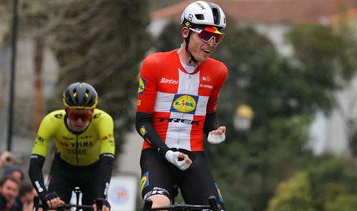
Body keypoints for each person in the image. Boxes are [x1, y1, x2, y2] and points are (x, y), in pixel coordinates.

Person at [135, 1, 228, 210]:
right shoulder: (155, 64)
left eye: (218, 37)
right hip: (158, 155)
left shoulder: (218, 72)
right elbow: (141, 122)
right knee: (157, 206)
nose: (212, 43)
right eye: (205, 35)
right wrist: (167, 153)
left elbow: (209, 116)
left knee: (215, 208)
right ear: (186, 32)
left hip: (194, 156)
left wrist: (214, 130)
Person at [28, 82, 115, 211]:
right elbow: (34, 166)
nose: (79, 121)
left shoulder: (103, 120)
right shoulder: (51, 121)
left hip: (93, 171)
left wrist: (101, 197)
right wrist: (44, 195)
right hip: (63, 170)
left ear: (93, 111)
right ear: (66, 110)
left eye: (85, 116)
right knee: (49, 208)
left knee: (98, 208)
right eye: (75, 116)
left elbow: (107, 163)